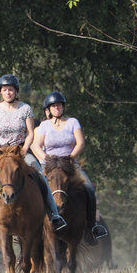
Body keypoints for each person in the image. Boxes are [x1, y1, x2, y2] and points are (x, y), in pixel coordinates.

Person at [0, 74, 67, 236]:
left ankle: (54, 215)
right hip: (1, 152)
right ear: (1, 92)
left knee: (39, 173)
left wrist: (25, 148)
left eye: (11, 90)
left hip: (20, 150)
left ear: (16, 91)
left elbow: (30, 133)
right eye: (5, 90)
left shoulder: (25, 109)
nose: (8, 93)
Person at [31, 91, 108, 244]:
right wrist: (46, 159)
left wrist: (71, 157)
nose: (56, 108)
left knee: (89, 189)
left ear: (63, 106)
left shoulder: (73, 122)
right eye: (53, 106)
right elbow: (36, 145)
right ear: (49, 109)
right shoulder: (45, 126)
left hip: (70, 164)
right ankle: (33, 227)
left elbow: (80, 143)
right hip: (50, 166)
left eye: (59, 105)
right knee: (33, 189)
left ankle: (92, 227)